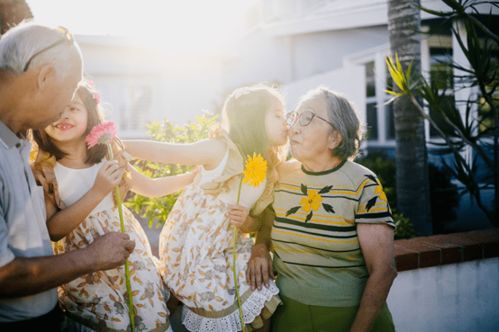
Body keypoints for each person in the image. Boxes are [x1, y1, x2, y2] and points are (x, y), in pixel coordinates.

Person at [0, 22, 135, 330]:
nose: (66, 107)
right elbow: (4, 276)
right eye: (71, 90)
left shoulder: (17, 141)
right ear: (44, 76)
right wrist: (92, 257)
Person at [31, 82, 196, 331]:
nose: (63, 115)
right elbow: (54, 230)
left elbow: (150, 188)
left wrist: (192, 177)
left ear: (90, 114)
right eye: (55, 109)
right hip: (86, 266)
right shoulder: (46, 170)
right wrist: (98, 191)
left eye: (73, 108)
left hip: (130, 255)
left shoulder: (109, 155)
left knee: (148, 317)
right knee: (113, 323)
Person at [123, 85, 288, 331]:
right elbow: (166, 152)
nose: (285, 121)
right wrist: (121, 145)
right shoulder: (222, 150)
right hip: (201, 256)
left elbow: (258, 221)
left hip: (231, 248)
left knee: (259, 306)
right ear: (254, 120)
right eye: (277, 114)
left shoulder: (267, 165)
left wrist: (248, 223)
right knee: (229, 313)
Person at [247, 87, 397, 332]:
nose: (293, 127)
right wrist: (260, 246)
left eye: (307, 118)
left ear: (334, 137)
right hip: (287, 316)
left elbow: (383, 271)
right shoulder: (282, 175)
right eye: (295, 117)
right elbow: (268, 219)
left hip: (350, 318)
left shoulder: (362, 184)